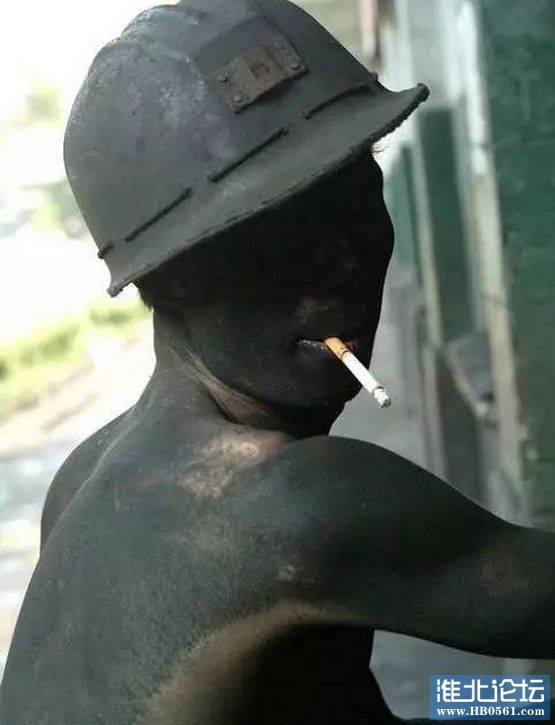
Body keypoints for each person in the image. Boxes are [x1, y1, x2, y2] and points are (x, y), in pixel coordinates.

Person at [1, 1, 554, 723]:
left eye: (355, 196)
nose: (343, 258)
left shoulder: (79, 480)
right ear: (168, 278)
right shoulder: (293, 507)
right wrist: (519, 703)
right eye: (276, 234)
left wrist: (509, 703)